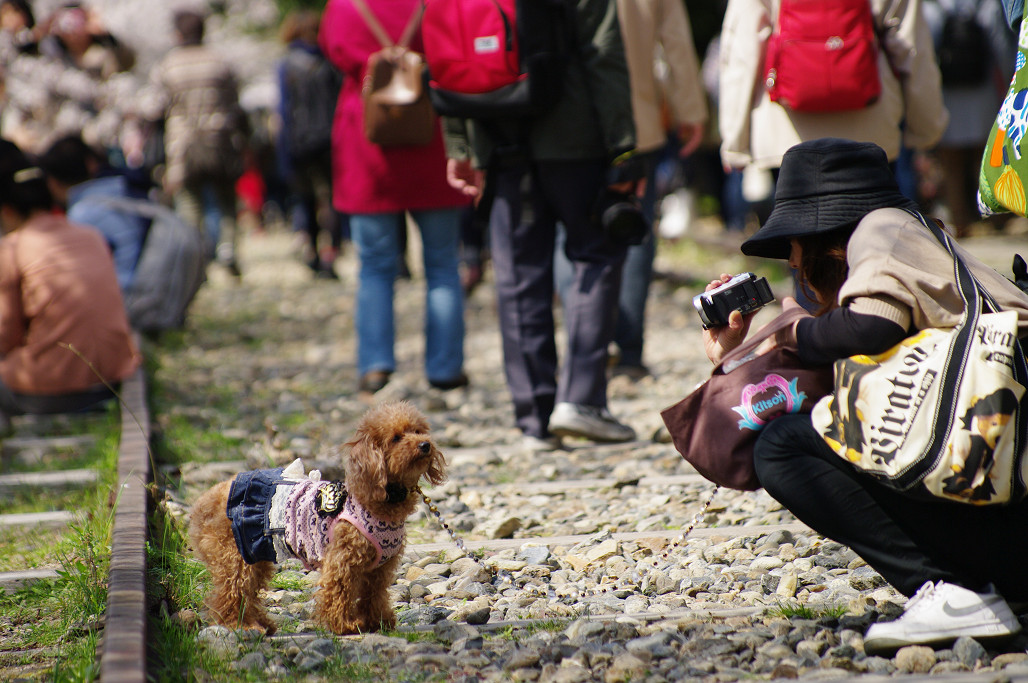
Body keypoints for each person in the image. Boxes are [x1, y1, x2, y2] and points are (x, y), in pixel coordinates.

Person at [704, 138, 1028, 652]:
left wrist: (786, 337)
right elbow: (842, 389)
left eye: (791, 242)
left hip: (1012, 518)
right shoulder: (918, 240)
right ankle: (976, 589)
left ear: (819, 229)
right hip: (1010, 507)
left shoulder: (880, 228)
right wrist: (736, 357)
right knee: (807, 425)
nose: (790, 258)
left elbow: (871, 331)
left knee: (782, 446)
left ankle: (955, 591)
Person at [445, 0, 640, 449]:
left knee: (516, 275)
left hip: (499, 134)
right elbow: (603, 50)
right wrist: (625, 148)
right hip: (575, 137)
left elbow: (450, 54)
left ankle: (533, 417)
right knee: (596, 254)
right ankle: (580, 399)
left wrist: (460, 143)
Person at [319, 0, 469, 394]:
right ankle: (445, 367)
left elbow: (333, 51)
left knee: (374, 266)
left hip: (368, 143)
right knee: (442, 264)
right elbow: (452, 54)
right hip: (429, 138)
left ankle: (375, 365)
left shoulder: (345, 7)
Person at [718, 0, 948, 184]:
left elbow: (743, 51)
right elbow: (913, 47)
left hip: (787, 137)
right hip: (870, 132)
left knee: (797, 238)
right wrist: (926, 130)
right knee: (868, 234)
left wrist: (735, 142)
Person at [0, 139, 140, 432]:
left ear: (8, 211)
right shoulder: (90, 235)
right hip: (110, 381)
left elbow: (5, 335)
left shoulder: (12, 248)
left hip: (53, 389)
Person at [610, 0, 708, 378]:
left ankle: (585, 347)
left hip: (571, 126)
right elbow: (676, 42)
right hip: (638, 120)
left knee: (571, 233)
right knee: (636, 233)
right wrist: (692, 111)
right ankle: (629, 352)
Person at [149, 8, 247, 276]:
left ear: (178, 33)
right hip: (220, 140)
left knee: (190, 203)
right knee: (226, 200)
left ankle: (195, 259)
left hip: (184, 145)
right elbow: (235, 102)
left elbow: (156, 107)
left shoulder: (168, 65)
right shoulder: (221, 62)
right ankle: (228, 248)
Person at [924, 0, 1014, 236]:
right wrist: (1008, 84)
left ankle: (959, 221)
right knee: (986, 158)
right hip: (982, 92)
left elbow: (925, 51)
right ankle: (994, 221)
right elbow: (1001, 45)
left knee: (951, 165)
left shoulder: (933, 7)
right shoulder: (986, 4)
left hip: (948, 94)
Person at [276, 9, 344, 280]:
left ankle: (312, 252)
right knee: (332, 200)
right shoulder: (330, 61)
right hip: (330, 139)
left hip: (299, 142)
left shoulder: (286, 64)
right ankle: (331, 253)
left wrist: (283, 151)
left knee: (305, 199)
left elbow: (283, 109)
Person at [38, 133, 147, 295]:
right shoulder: (121, 189)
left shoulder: (81, 216)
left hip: (124, 301)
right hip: (147, 290)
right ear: (91, 164)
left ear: (52, 183)